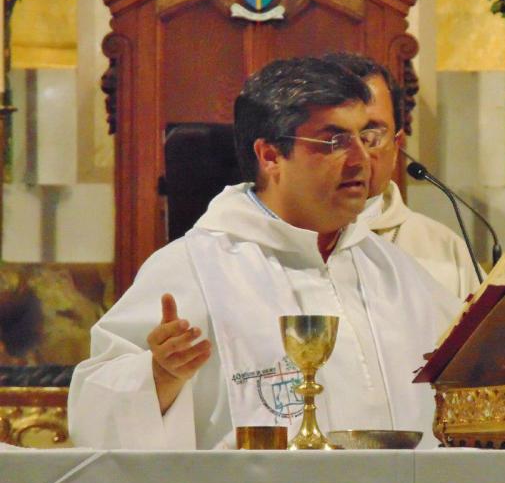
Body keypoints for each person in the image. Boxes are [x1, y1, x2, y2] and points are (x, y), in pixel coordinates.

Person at [67, 57, 462, 450]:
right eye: (334, 141)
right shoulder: (193, 269)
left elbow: (466, 388)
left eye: (367, 137)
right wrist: (159, 375)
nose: (361, 159)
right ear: (271, 156)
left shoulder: (397, 272)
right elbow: (93, 413)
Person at [322, 53, 481, 301]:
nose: (357, 156)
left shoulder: (445, 251)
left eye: (371, 136)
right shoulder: (278, 242)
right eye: (338, 138)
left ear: (396, 146)